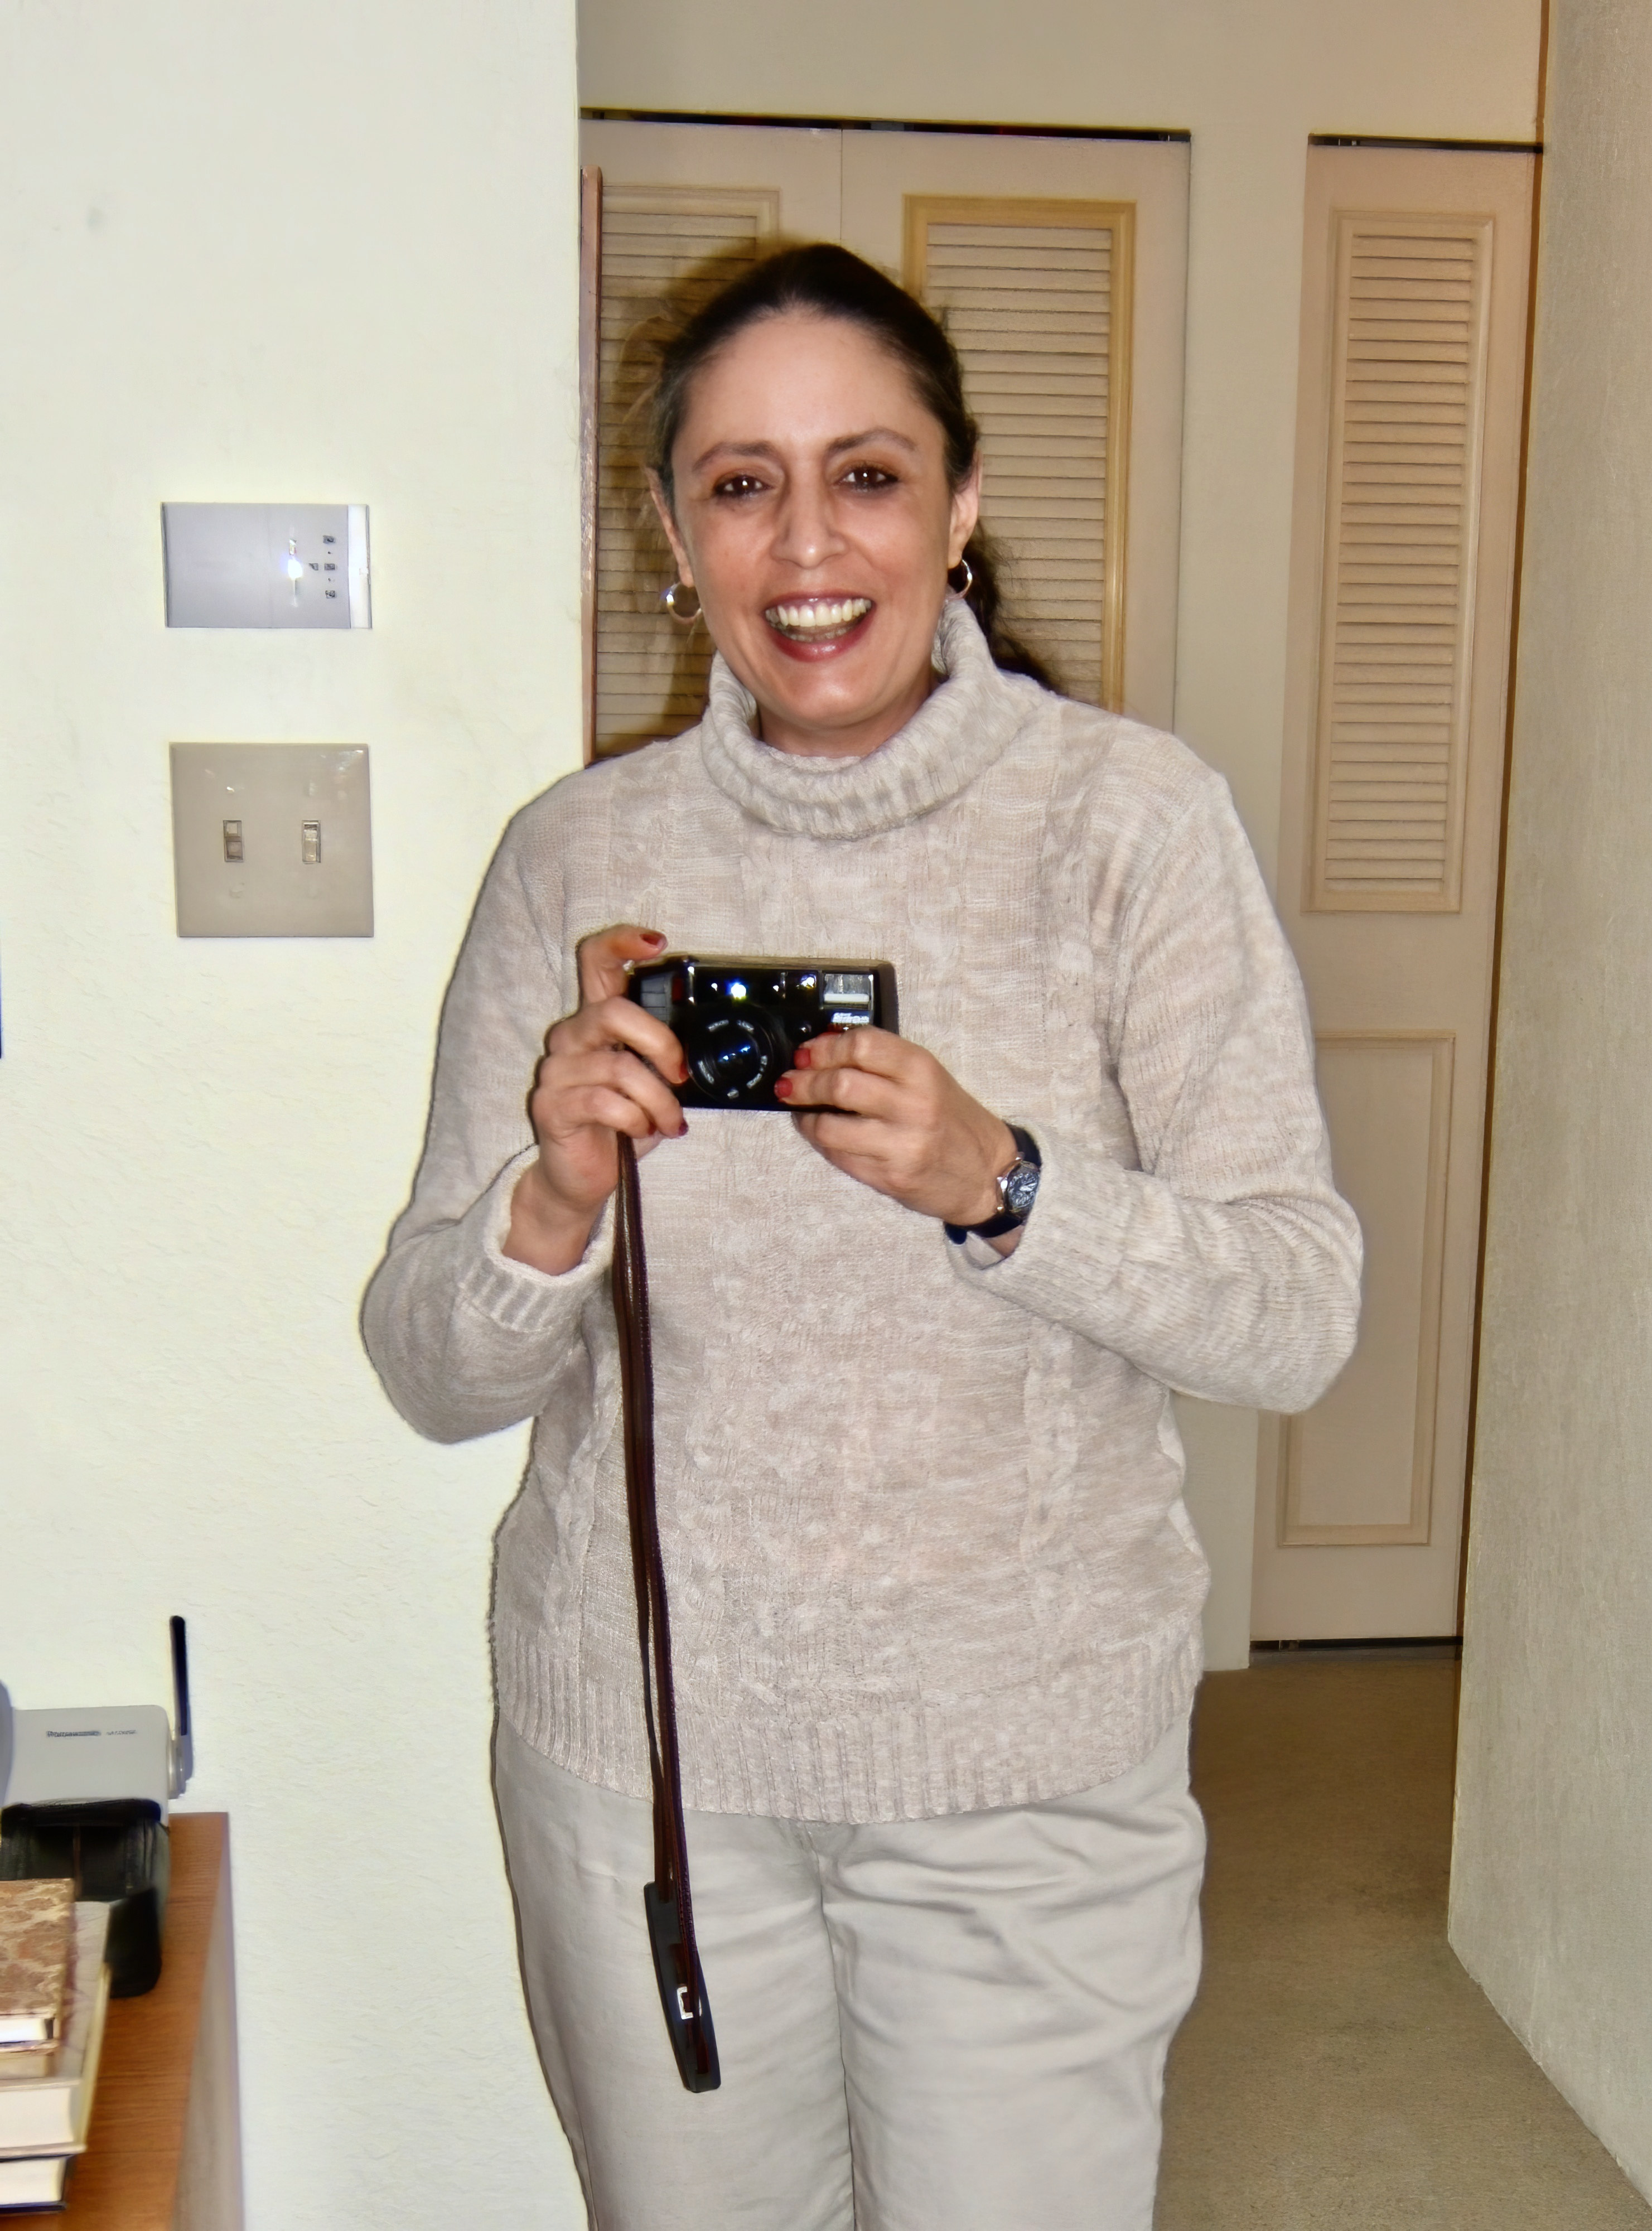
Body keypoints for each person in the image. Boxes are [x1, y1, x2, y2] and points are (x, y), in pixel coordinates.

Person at [363, 243, 1360, 2231]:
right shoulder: (575, 855)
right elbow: (431, 1374)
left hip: (1022, 1778)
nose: (807, 545)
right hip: (646, 1774)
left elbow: (1294, 1313)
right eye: (741, 484)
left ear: (959, 504)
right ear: (674, 534)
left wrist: (1007, 1187)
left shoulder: (1130, 823)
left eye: (868, 475)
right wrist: (550, 1202)